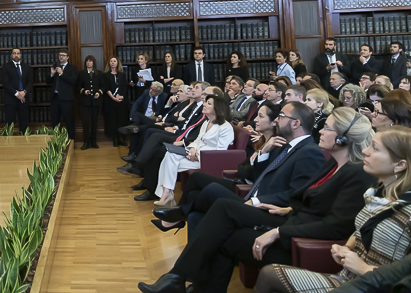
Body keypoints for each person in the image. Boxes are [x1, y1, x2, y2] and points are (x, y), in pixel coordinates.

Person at [138, 106, 375, 293]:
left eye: (328, 128)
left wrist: (279, 230)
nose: (321, 130)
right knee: (217, 222)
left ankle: (177, 277)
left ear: (343, 138)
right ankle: (184, 282)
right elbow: (303, 198)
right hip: (289, 218)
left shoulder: (354, 173)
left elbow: (335, 225)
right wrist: (287, 209)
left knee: (220, 207)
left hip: (297, 235)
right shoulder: (333, 163)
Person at [255, 127, 411, 293]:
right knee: (269, 273)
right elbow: (362, 228)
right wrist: (347, 247)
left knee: (269, 275)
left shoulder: (407, 210)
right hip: (348, 278)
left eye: (375, 148)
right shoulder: (376, 193)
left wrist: (364, 268)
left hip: (374, 287)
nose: (365, 151)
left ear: (400, 164)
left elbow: (405, 276)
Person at [152, 102, 282, 235]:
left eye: (260, 116)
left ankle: (176, 217)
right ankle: (179, 215)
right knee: (194, 187)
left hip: (245, 189)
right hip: (238, 179)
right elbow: (242, 167)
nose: (255, 120)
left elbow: (252, 173)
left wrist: (252, 163)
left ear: (274, 122)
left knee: (208, 187)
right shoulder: (261, 141)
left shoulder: (274, 146)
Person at [152, 95, 234, 207]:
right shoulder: (206, 122)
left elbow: (219, 153)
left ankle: (167, 194)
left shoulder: (226, 127)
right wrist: (193, 149)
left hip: (207, 160)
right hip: (195, 155)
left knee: (169, 162)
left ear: (218, 108)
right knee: (170, 154)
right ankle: (167, 192)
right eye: (205, 102)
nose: (204, 104)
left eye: (208, 103)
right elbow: (197, 140)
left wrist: (197, 156)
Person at [0, 48, 33, 134]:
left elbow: (30, 82)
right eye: (14, 53)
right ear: (11, 55)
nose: (16, 55)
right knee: (9, 122)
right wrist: (16, 94)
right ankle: (8, 143)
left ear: (21, 55)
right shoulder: (6, 67)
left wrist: (24, 93)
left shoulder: (26, 66)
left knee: (24, 121)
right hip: (11, 98)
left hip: (23, 98)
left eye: (18, 53)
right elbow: (5, 83)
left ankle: (24, 141)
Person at [47, 49, 78, 139]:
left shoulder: (72, 68)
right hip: (55, 98)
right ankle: (56, 142)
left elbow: (73, 81)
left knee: (69, 121)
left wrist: (62, 73)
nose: (61, 57)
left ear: (67, 57)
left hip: (66, 99)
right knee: (55, 121)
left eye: (64, 55)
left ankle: (71, 141)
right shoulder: (55, 67)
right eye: (60, 55)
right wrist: (52, 74)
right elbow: (47, 82)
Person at [102, 56, 129, 146]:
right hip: (110, 101)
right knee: (112, 120)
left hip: (121, 101)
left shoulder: (122, 74)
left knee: (121, 119)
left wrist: (121, 96)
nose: (113, 62)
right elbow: (106, 88)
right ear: (109, 63)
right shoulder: (105, 75)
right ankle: (115, 139)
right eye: (111, 61)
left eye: (114, 61)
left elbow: (124, 87)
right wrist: (113, 98)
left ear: (118, 63)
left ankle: (121, 138)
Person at [77, 55, 102, 150]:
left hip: (95, 101)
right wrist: (84, 91)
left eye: (90, 61)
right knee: (85, 122)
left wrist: (99, 92)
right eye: (87, 61)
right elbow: (78, 86)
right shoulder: (82, 73)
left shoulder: (99, 73)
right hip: (85, 102)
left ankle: (93, 141)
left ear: (93, 63)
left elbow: (102, 86)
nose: (88, 62)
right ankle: (86, 142)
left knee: (94, 122)